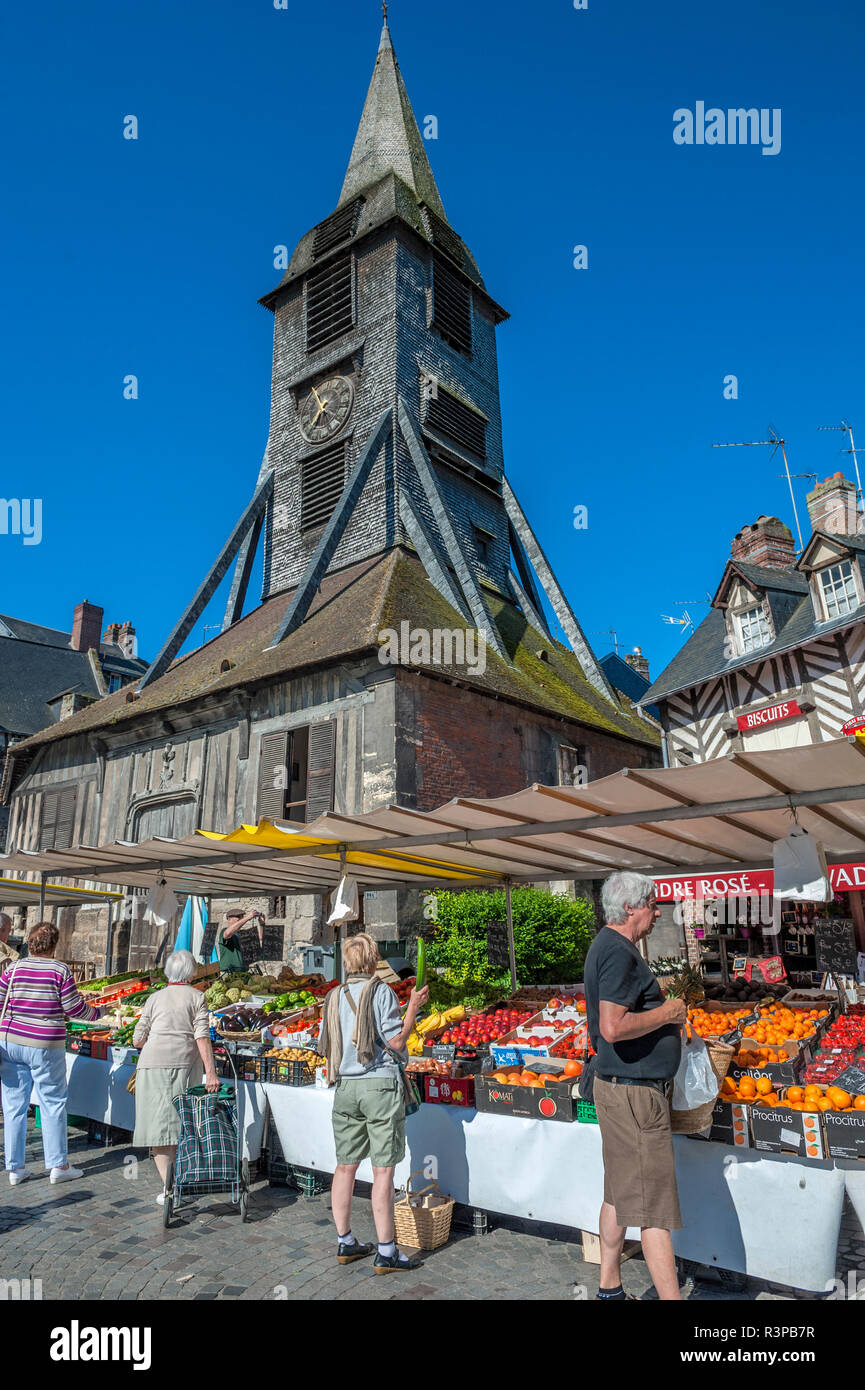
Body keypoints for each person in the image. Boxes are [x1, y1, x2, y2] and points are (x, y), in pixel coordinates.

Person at [583, 871, 686, 1302]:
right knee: (653, 1208)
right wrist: (668, 1013)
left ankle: (609, 1287)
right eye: (651, 904)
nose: (657, 912)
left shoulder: (607, 947)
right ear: (630, 908)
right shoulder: (619, 952)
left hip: (619, 1089)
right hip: (635, 1095)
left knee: (619, 1192)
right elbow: (612, 1026)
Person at [318, 932, 429, 1272]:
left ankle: (346, 1241)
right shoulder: (380, 991)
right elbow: (395, 1042)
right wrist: (412, 1008)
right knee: (383, 1170)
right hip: (378, 1085)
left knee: (345, 1166)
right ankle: (386, 1250)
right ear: (372, 960)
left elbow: (326, 1044)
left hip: (345, 1087)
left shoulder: (333, 995)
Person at [0, 920, 104, 1185]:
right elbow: (74, 1009)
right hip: (44, 1043)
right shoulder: (59, 970)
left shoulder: (13, 968)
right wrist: (99, 1013)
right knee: (52, 1101)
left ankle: (15, 1169)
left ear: (31, 944)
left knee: (14, 1105)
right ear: (55, 944)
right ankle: (58, 1165)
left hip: (10, 1039)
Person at [132, 948, 220, 1205]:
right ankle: (177, 1185)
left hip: (150, 1066)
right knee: (182, 1126)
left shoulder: (154, 998)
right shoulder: (197, 997)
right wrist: (211, 1073)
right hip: (182, 1066)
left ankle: (169, 1189)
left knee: (158, 1130)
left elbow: (138, 1039)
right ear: (191, 973)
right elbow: (202, 1037)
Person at [215, 908, 264, 974]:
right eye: (238, 917)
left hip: (243, 971)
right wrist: (248, 917)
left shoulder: (242, 933)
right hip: (229, 973)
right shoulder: (224, 931)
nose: (241, 919)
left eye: (242, 916)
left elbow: (260, 937)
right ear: (229, 919)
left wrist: (262, 924)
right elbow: (227, 934)